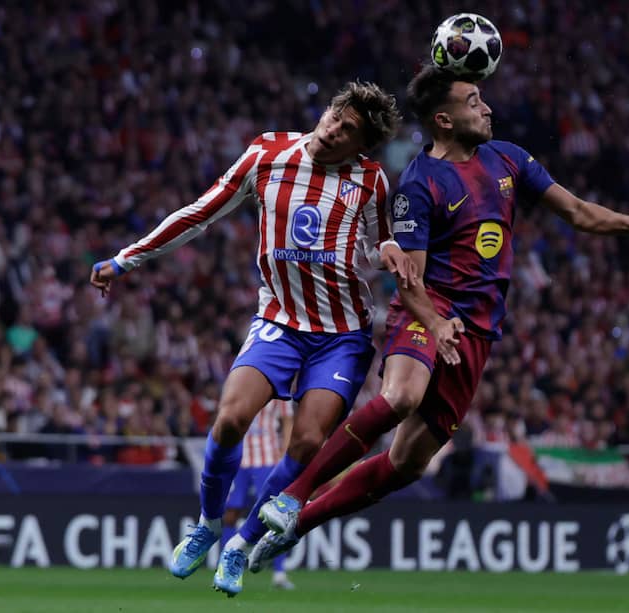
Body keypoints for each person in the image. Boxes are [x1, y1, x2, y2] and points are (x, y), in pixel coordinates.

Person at [251, 64, 629, 568]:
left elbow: (576, 210)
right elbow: (409, 281)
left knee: (407, 465)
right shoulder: (419, 182)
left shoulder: (509, 160)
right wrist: (434, 324)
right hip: (427, 309)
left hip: (478, 331)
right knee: (399, 397)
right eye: (473, 100)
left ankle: (298, 526)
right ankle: (291, 496)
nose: (487, 107)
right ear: (445, 120)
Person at [90, 81, 413, 596]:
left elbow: (374, 247)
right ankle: (207, 525)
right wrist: (125, 258)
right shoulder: (266, 155)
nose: (333, 129)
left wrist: (390, 250)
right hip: (279, 321)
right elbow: (200, 213)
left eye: (348, 129)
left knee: (307, 441)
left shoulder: (369, 181)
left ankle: (241, 544)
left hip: (342, 334)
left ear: (362, 145)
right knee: (231, 418)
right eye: (334, 115)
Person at [222, 398, 296, 590]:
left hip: (268, 459)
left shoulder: (281, 389)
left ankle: (279, 573)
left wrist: (285, 455)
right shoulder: (241, 380)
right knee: (230, 515)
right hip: (239, 460)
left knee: (274, 516)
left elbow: (287, 421)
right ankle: (228, 568)